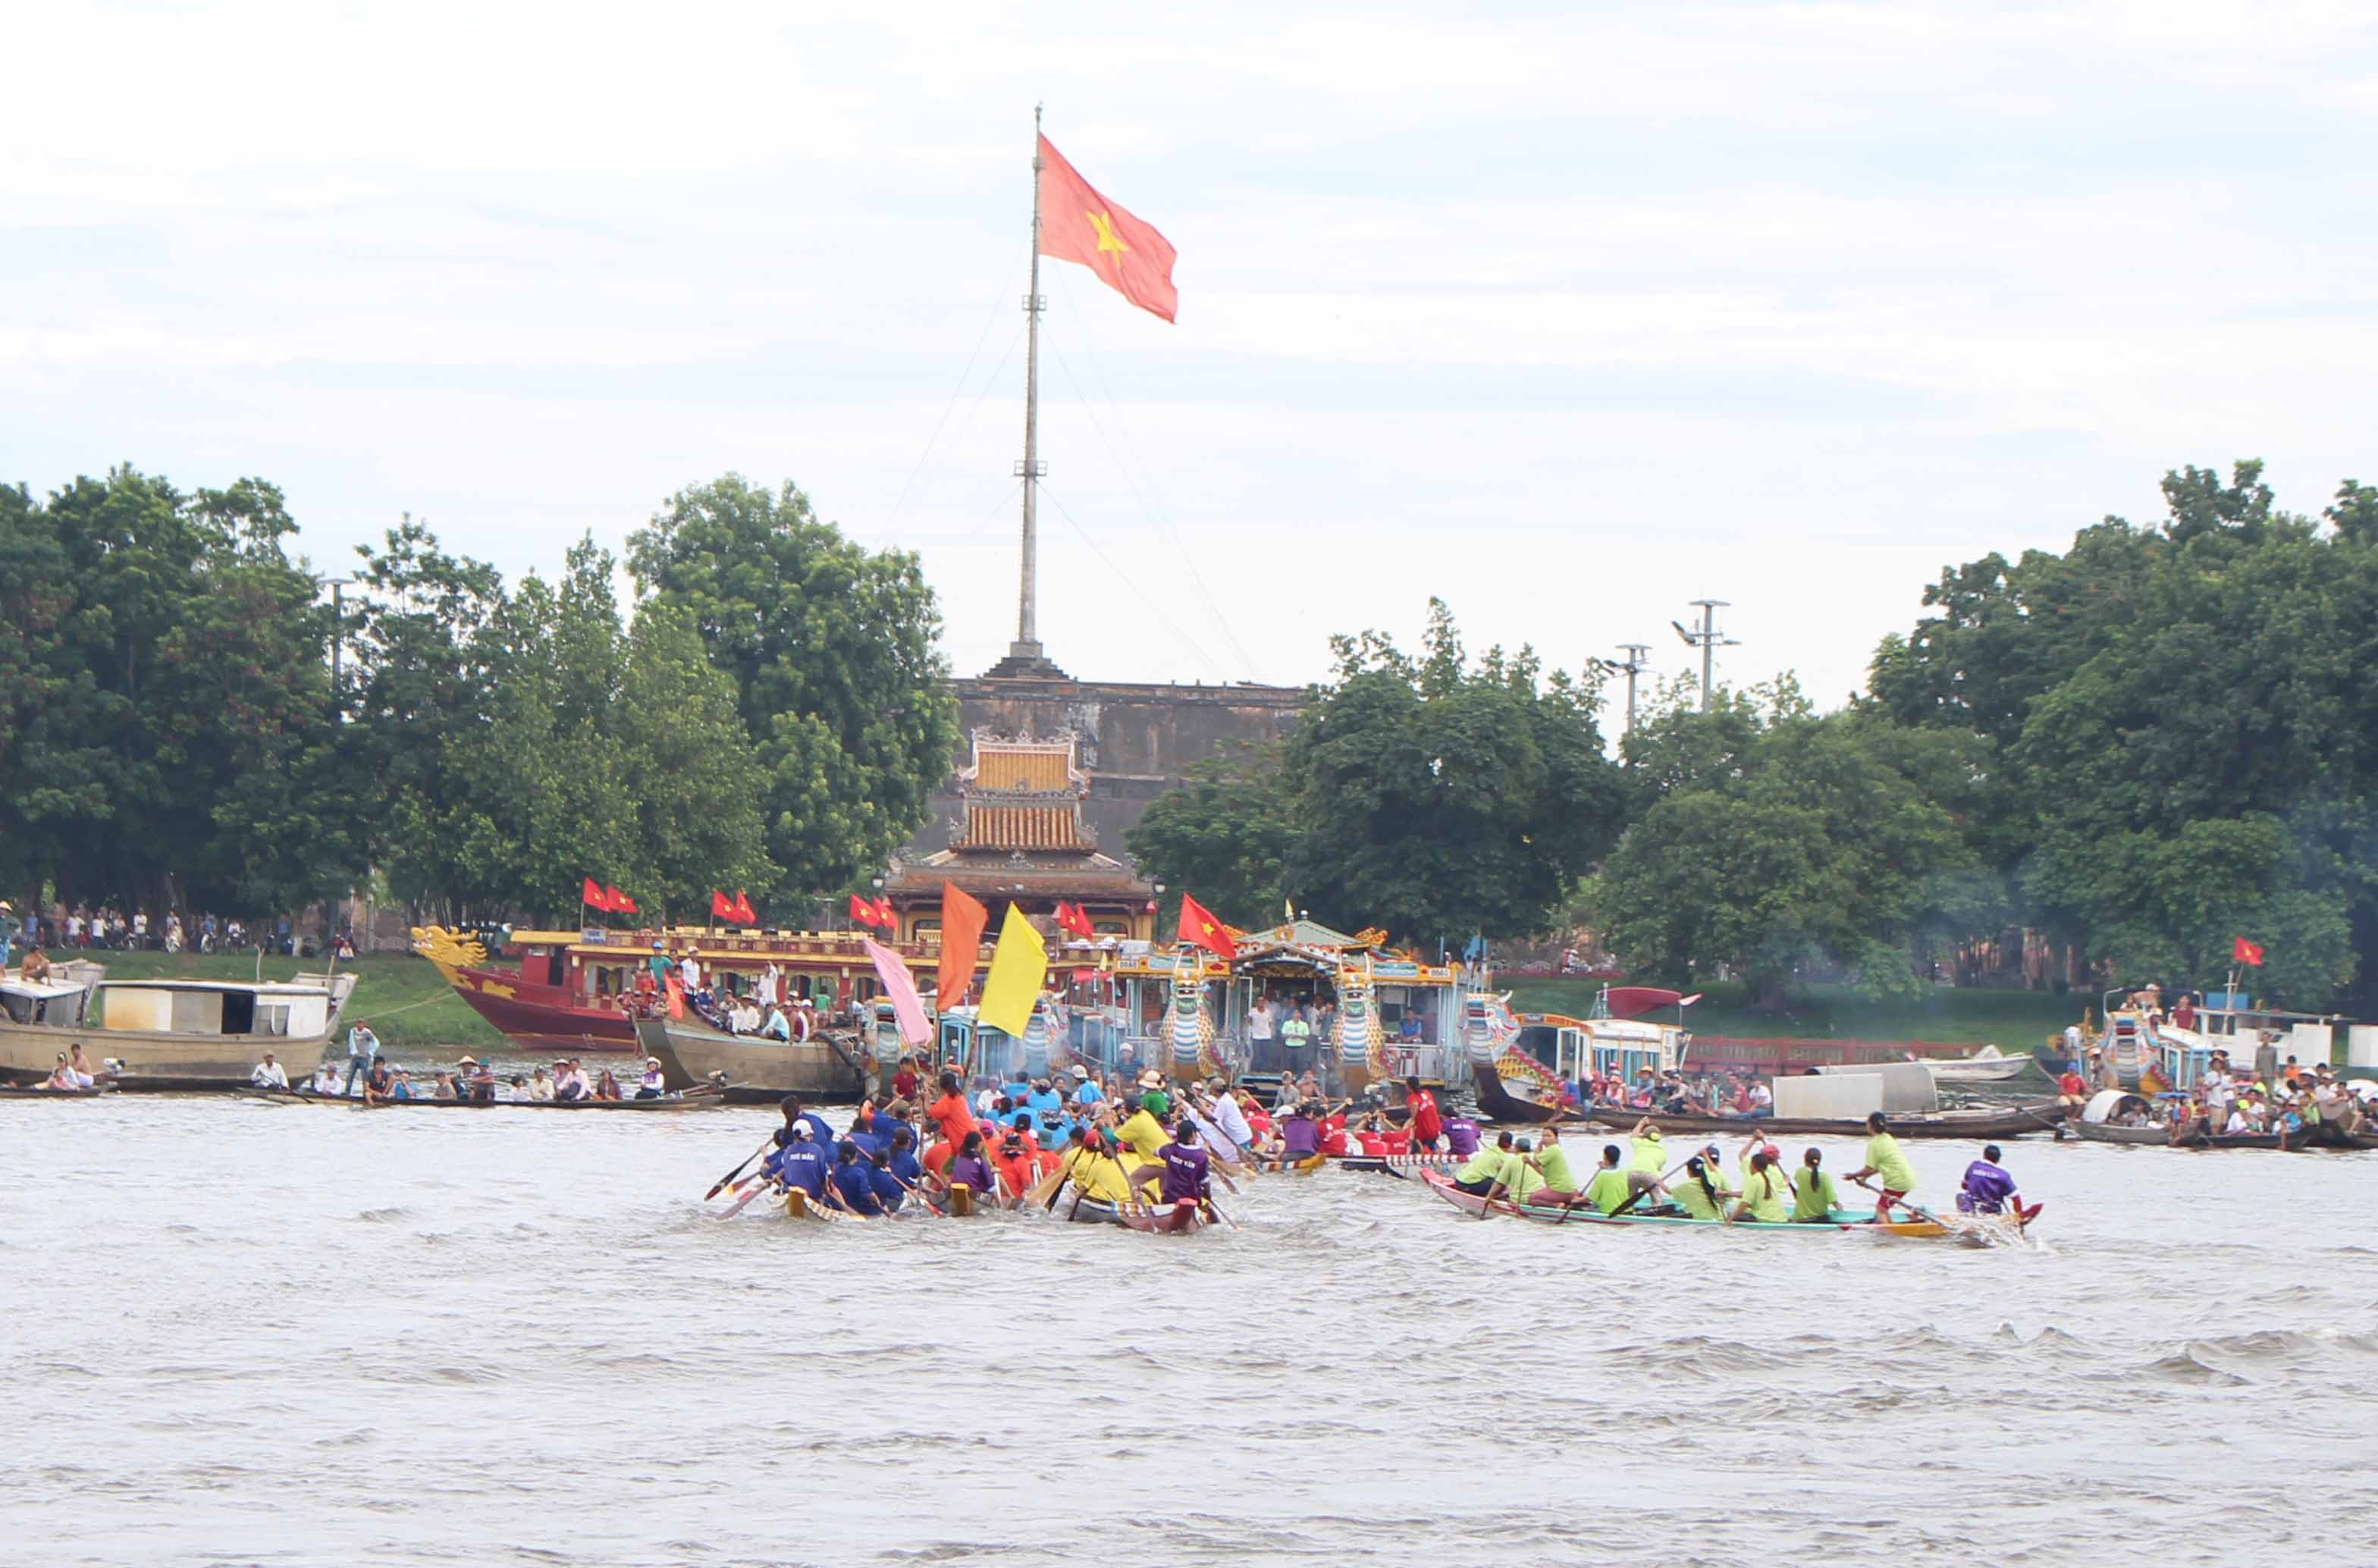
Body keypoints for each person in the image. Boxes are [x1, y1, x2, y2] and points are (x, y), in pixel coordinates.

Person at [1846, 1112, 1919, 1221]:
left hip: (1897, 1182)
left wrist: (1853, 1175)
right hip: (1907, 1178)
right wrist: (1864, 1178)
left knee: (1881, 1210)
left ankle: (1888, 1236)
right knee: (1883, 1208)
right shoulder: (1888, 1137)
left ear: (1870, 1126)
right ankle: (1891, 1228)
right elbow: (1880, 1166)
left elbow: (1869, 1169)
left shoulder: (1874, 1144)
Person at [1129, 1120, 1215, 1212]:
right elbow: (1205, 1181)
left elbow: (1155, 1151)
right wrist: (1208, 1196)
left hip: (1169, 1199)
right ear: (1193, 1135)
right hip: (1191, 1201)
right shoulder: (1201, 1156)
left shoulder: (1169, 1149)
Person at [1730, 1145, 1790, 1224]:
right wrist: (1787, 1180)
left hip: (1765, 1219)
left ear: (1752, 1165)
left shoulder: (1754, 1178)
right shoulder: (1769, 1176)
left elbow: (1745, 1202)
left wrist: (1729, 1220)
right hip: (1781, 1218)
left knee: (1732, 1215)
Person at [1958, 1144, 2022, 1215]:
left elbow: (1964, 1186)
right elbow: (2016, 1198)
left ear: (1984, 1156)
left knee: (1961, 1196)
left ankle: (1965, 1216)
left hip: (1970, 1207)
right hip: (1991, 1210)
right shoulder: (2003, 1175)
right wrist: (2019, 1216)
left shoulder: (1974, 1166)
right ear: (1998, 1159)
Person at [1451, 1131, 1517, 1196]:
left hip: (1459, 1181)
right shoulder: (1503, 1158)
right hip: (1468, 1185)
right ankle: (1496, 1196)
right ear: (1509, 1144)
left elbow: (1505, 1148)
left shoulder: (1491, 1149)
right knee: (1500, 1183)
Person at [828, 1140, 886, 1216]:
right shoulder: (859, 1173)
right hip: (854, 1208)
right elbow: (868, 1194)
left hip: (834, 1205)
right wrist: (878, 1203)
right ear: (856, 1155)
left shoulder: (832, 1169)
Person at [1669, 1155, 1734, 1221]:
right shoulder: (1711, 1180)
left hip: (1705, 1219)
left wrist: (1660, 1183)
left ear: (1689, 1171)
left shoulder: (1687, 1185)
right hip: (1721, 1218)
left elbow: (1669, 1192)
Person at [1790, 1146, 1840, 1223]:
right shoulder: (1825, 1177)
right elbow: (1833, 1201)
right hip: (1819, 1219)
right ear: (1819, 1161)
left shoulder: (1799, 1172)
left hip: (1799, 1219)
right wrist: (1841, 1211)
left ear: (1805, 1160)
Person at [1404, 1074, 1445, 1152]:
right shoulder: (1427, 1093)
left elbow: (1413, 1118)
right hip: (1437, 1128)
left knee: (1416, 1146)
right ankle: (1438, 1157)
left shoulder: (1412, 1098)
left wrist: (1403, 1129)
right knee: (1432, 1145)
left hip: (1425, 1131)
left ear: (1409, 1086)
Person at [343, 1024, 381, 1096]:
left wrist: (370, 1052)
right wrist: (353, 1052)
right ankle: (347, 1092)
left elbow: (376, 1043)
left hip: (364, 1058)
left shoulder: (368, 1034)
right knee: (350, 1075)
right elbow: (351, 1042)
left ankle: (365, 1092)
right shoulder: (353, 1032)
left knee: (364, 1077)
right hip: (355, 1057)